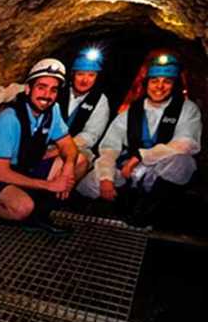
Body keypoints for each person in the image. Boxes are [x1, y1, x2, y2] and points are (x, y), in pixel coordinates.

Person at [76, 52, 202, 227]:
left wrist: (142, 156)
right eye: (154, 81)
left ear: (174, 85)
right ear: (147, 84)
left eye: (167, 82)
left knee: (183, 162)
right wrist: (106, 178)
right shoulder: (131, 112)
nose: (160, 87)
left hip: (159, 170)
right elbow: (109, 147)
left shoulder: (187, 109)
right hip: (129, 169)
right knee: (88, 185)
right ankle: (123, 201)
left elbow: (187, 143)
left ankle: (148, 212)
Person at [0, 58, 89, 235]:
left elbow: (68, 144)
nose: (47, 95)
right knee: (23, 207)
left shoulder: (52, 110)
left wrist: (68, 168)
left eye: (53, 90)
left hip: (23, 166)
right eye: (41, 87)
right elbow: (1, 173)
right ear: (28, 89)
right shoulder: (9, 120)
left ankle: (39, 213)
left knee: (80, 161)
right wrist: (49, 185)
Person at [0, 47, 111, 165]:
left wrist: (60, 148)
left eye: (91, 75)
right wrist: (0, 96)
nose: (85, 80)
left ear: (96, 77)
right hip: (43, 142)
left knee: (76, 161)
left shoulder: (99, 101)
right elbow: (22, 89)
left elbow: (91, 135)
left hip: (74, 146)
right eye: (80, 74)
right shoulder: (56, 88)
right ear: (73, 74)